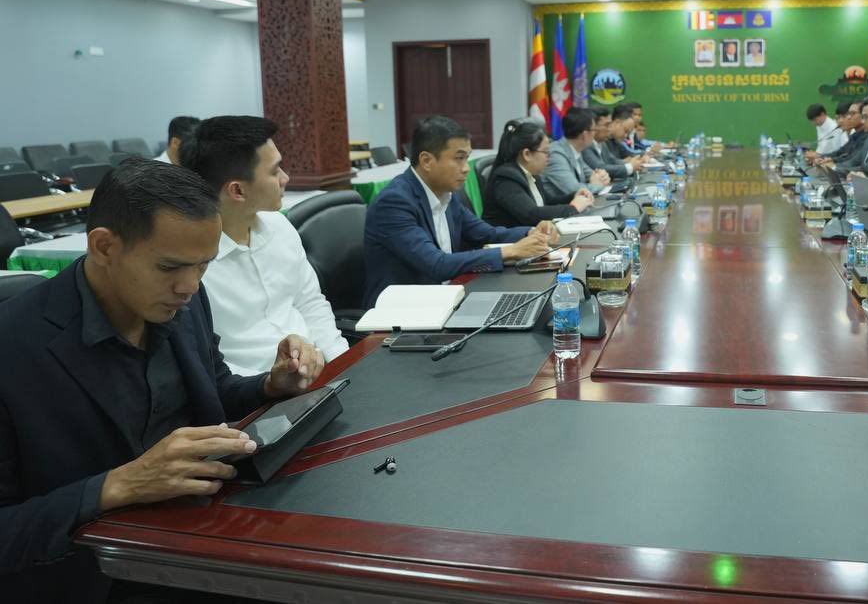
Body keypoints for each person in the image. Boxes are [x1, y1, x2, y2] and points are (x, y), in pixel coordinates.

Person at [0, 158, 323, 601]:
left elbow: (214, 389)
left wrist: (269, 385)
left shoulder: (185, 300)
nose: (189, 286)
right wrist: (116, 486)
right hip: (94, 573)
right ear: (104, 246)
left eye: (203, 265)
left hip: (204, 541)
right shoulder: (14, 345)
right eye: (169, 267)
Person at [181, 116, 348, 376]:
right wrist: (272, 385)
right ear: (237, 191)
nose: (285, 177)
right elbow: (210, 364)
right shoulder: (191, 266)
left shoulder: (279, 227)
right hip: (256, 389)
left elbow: (310, 302)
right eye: (274, 171)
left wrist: (343, 362)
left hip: (318, 373)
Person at [363, 115, 553, 304]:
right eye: (459, 158)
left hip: (448, 295)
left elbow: (487, 234)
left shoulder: (446, 194)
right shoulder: (394, 202)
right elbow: (436, 264)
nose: (466, 168)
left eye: (467, 158)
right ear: (426, 161)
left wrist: (531, 232)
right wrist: (510, 251)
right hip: (404, 308)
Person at [483, 119, 594, 228]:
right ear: (527, 154)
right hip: (512, 238)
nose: (549, 157)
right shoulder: (506, 179)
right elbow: (531, 215)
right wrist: (573, 207)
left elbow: (547, 202)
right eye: (546, 152)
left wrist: (573, 196)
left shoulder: (531, 173)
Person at [543, 106, 611, 199]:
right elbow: (575, 189)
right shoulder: (555, 155)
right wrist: (597, 185)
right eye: (594, 130)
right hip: (558, 207)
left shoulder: (575, 150)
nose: (595, 134)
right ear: (585, 134)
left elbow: (592, 174)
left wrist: (602, 176)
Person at [582, 107, 636, 181]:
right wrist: (630, 167)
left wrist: (630, 163)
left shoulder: (602, 143)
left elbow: (612, 160)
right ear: (593, 126)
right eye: (607, 125)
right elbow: (600, 167)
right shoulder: (585, 145)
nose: (610, 129)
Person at [814, 100, 864, 169]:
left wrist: (834, 166)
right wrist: (824, 158)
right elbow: (841, 152)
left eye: (844, 116)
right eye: (837, 118)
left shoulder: (866, 137)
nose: (849, 117)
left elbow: (853, 160)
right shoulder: (854, 135)